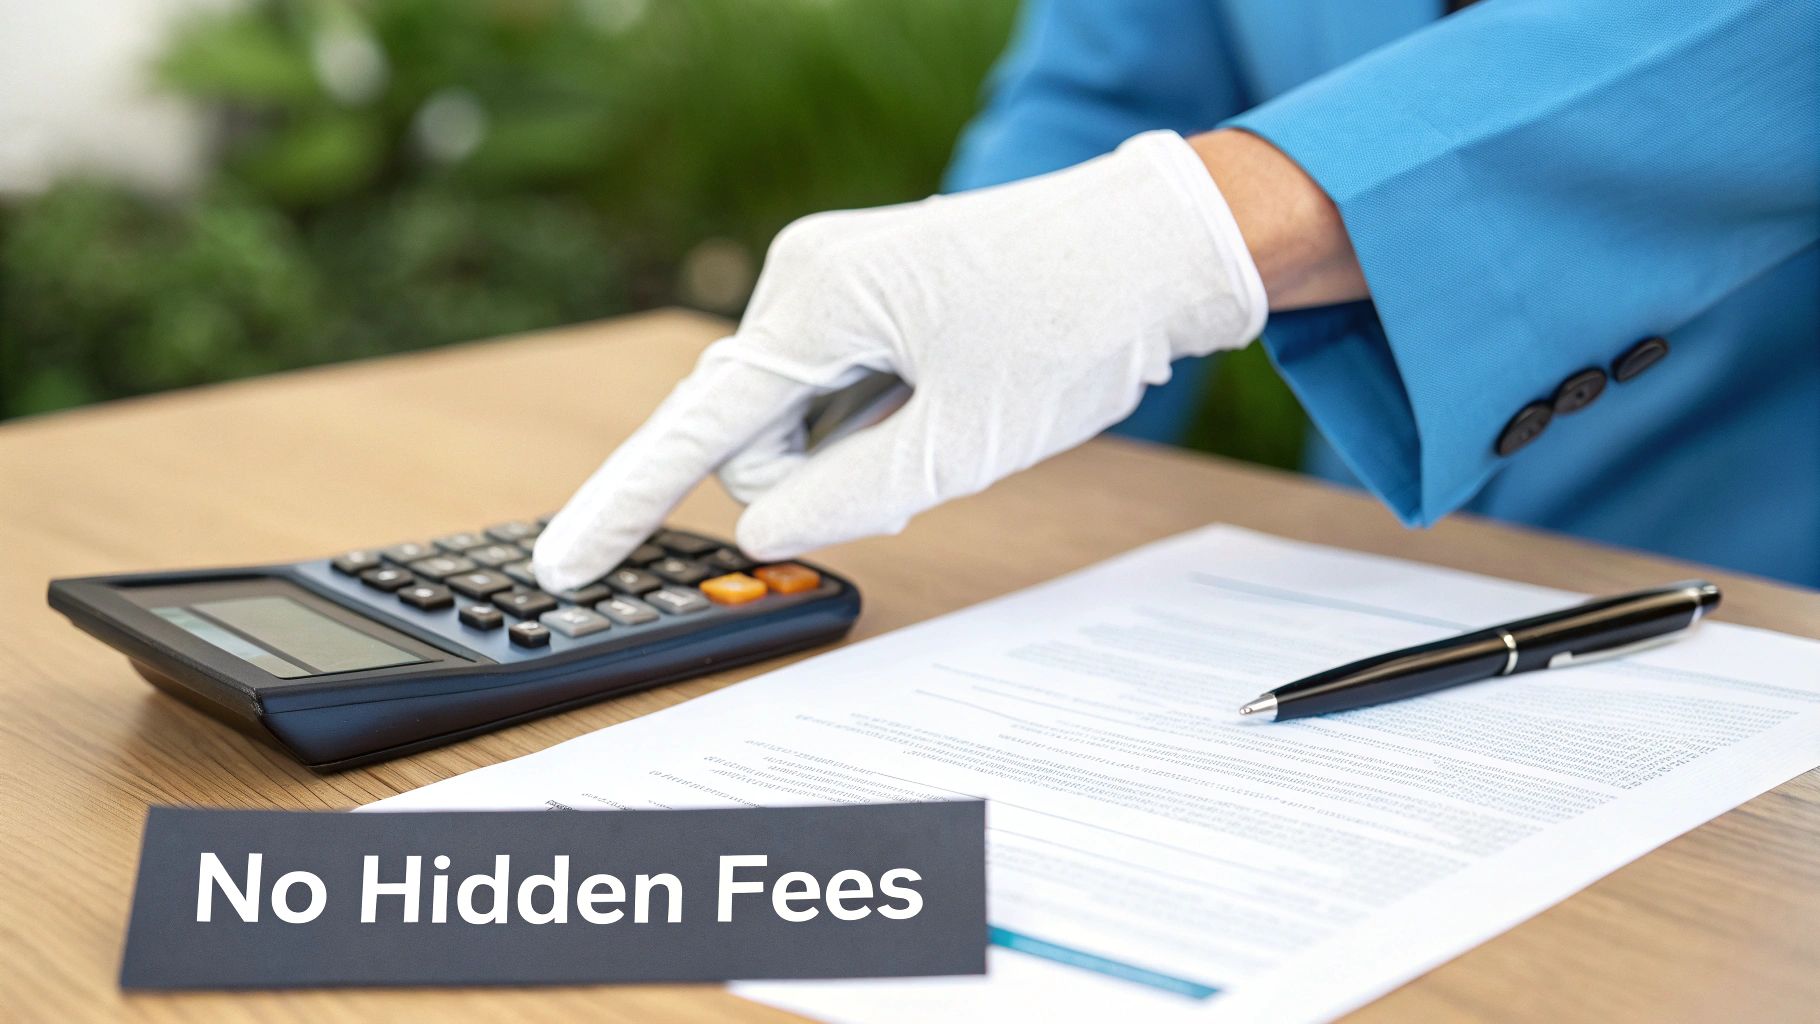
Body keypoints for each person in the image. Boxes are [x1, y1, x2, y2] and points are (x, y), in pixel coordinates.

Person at [534, 0, 1820, 594]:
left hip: (1766, 577)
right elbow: (1114, 82)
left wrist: (1181, 234)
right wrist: (971, 323)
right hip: (1363, 580)